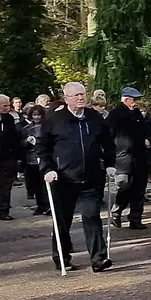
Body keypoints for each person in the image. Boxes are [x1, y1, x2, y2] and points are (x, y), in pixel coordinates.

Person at [40, 81, 117, 272]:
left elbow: (108, 143)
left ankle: (98, 258)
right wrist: (48, 169)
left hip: (91, 177)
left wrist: (109, 164)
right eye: (76, 95)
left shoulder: (94, 117)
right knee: (62, 220)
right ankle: (62, 257)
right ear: (66, 98)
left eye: (83, 94)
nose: (81, 98)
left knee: (92, 216)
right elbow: (42, 148)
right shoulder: (54, 119)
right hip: (63, 178)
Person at [109, 86, 151, 229]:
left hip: (140, 157)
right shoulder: (115, 115)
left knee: (139, 190)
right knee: (125, 186)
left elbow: (147, 131)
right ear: (126, 99)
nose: (136, 103)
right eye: (134, 100)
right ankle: (117, 210)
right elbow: (109, 136)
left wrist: (148, 141)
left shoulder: (137, 114)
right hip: (123, 158)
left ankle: (135, 219)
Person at [0, 94, 24, 221]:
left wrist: (18, 156)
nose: (8, 108)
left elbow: (14, 138)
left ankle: (4, 211)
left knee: (6, 185)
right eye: (4, 106)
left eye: (8, 105)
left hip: (7, 157)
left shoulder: (9, 118)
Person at [22, 104, 49, 215]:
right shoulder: (27, 128)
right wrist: (26, 141)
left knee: (45, 184)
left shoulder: (48, 127)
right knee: (36, 184)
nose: (36, 117)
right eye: (34, 115)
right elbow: (21, 144)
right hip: (31, 159)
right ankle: (40, 205)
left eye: (38, 115)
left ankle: (48, 205)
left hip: (44, 158)